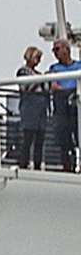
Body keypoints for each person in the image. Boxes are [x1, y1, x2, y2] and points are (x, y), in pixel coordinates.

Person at [49, 40, 81, 171]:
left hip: (77, 107)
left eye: (57, 49)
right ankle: (68, 166)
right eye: (53, 50)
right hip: (62, 108)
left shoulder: (78, 66)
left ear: (66, 49)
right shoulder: (54, 68)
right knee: (64, 140)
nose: (55, 53)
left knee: (79, 135)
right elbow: (53, 85)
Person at [17, 46, 50, 170]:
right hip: (30, 108)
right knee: (28, 138)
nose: (39, 60)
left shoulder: (39, 74)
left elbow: (47, 90)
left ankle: (37, 164)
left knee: (40, 140)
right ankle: (23, 163)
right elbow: (25, 89)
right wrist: (38, 81)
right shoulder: (23, 71)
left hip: (41, 108)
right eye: (37, 58)